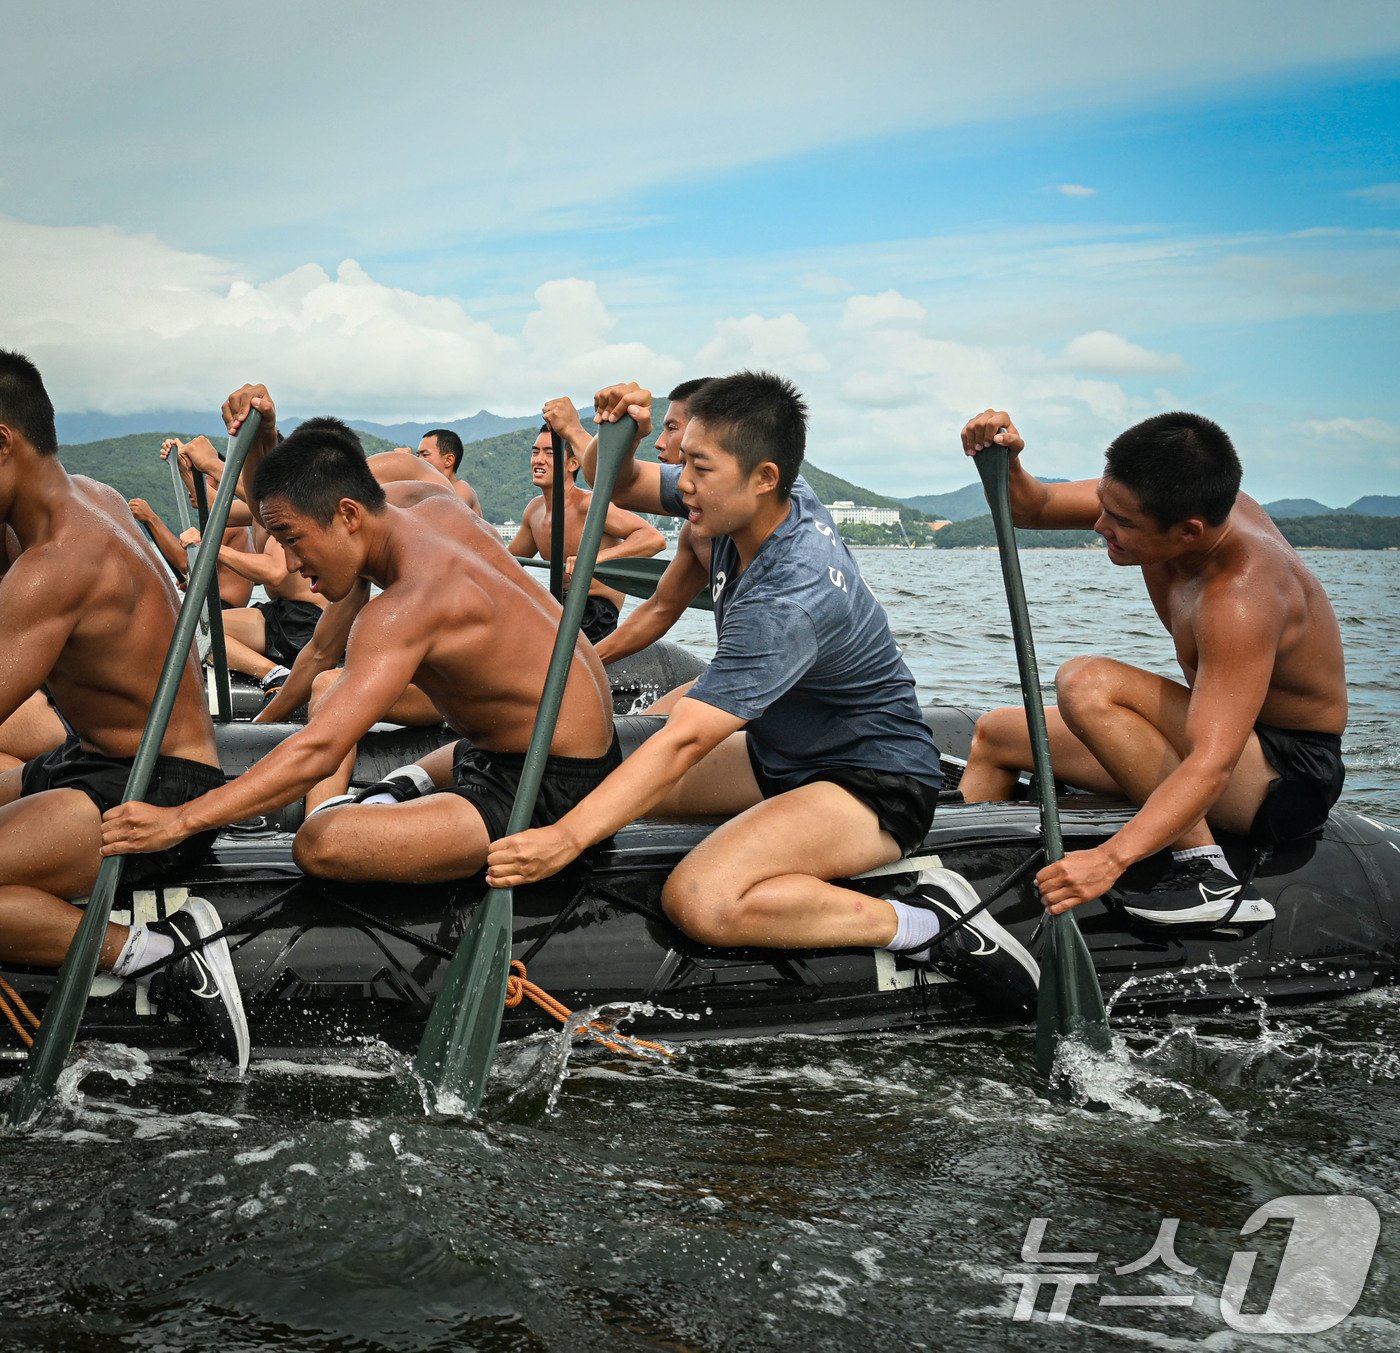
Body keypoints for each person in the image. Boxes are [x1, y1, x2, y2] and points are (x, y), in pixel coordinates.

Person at [486, 372, 1039, 1010]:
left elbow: (687, 740)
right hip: (781, 755)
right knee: (591, 781)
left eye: (700, 467)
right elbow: (628, 480)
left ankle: (928, 922)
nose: (683, 481)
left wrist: (567, 840)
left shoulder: (791, 592)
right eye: (683, 460)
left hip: (873, 780)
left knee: (700, 899)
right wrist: (619, 437)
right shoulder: (753, 498)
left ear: (764, 476)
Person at [100, 386, 619, 890]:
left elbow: (319, 752)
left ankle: (370, 810)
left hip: (548, 787)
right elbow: (291, 501)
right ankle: (394, 794)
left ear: (347, 515)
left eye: (294, 543)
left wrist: (180, 821)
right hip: (515, 745)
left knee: (320, 842)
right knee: (341, 698)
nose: (292, 564)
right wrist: (268, 442)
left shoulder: (406, 606)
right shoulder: (421, 499)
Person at [958, 408, 1348, 926]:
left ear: (1189, 532)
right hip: (1228, 740)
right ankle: (961, 901)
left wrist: (1111, 858)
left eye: (1121, 524)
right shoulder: (1165, 498)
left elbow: (1213, 762)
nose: (1100, 528)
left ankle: (1206, 875)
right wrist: (1004, 461)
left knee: (1087, 682)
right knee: (997, 734)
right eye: (1104, 507)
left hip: (1283, 777)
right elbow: (1035, 508)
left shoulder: (1240, 598)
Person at [0, 351, 246, 1070]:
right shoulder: (89, 494)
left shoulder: (58, 563)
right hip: (102, 759)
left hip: (156, 787)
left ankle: (165, 955)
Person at [546, 380, 714, 695]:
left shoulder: (793, 542)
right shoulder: (697, 523)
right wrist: (625, 432)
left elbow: (647, 533)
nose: (661, 442)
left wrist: (573, 430)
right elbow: (660, 608)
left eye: (672, 429)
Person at [507, 422, 665, 645]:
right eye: (535, 452)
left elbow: (653, 539)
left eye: (549, 453)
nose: (538, 460)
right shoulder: (534, 510)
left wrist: (593, 559)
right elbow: (507, 563)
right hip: (557, 604)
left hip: (594, 611)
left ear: (573, 464)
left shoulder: (589, 504)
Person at [411, 428, 482, 513]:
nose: (418, 460)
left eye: (425, 455)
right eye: (418, 455)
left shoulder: (460, 487)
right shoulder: (429, 493)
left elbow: (449, 514)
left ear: (448, 460)